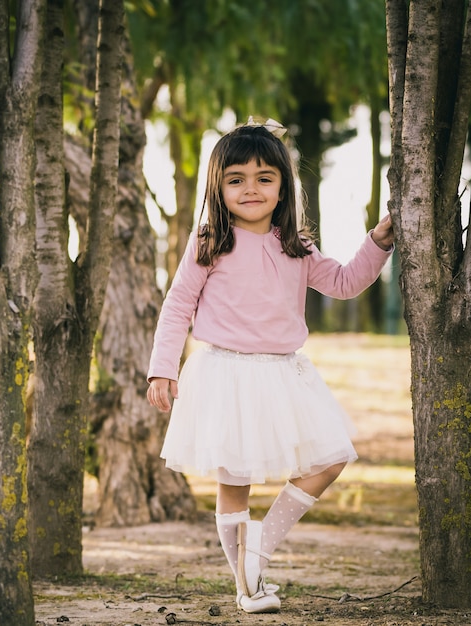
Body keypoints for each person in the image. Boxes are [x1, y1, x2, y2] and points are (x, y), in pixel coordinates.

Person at [146, 118, 394, 614]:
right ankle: (247, 588)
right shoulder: (208, 241)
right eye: (236, 179)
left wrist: (380, 239)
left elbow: (345, 283)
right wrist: (162, 368)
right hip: (225, 373)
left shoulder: (296, 246)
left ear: (283, 186)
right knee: (233, 479)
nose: (250, 189)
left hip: (284, 375)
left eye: (264, 178)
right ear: (218, 187)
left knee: (331, 458)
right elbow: (177, 306)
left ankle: (259, 548)